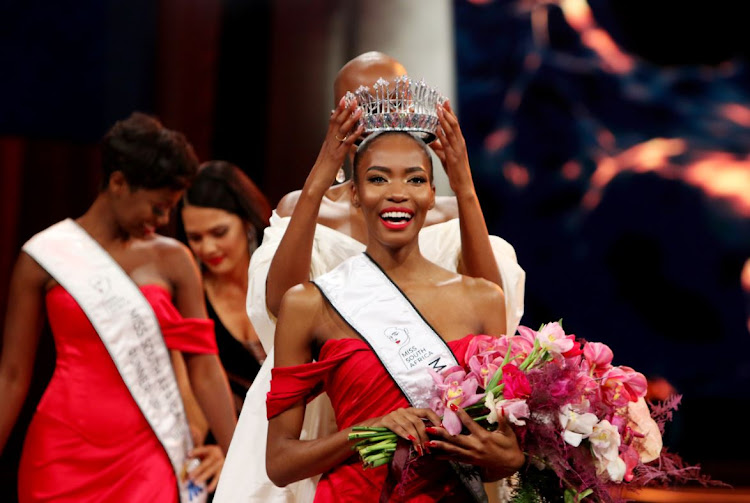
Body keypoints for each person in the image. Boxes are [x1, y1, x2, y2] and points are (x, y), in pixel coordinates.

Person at [215, 53, 525, 503]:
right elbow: (281, 305)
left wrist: (464, 184)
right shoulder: (307, 209)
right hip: (320, 398)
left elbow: (489, 311)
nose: (383, 117)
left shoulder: (447, 211)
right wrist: (323, 170)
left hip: (430, 425)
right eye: (365, 105)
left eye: (394, 101)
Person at [0, 112, 237, 502]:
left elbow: (204, 367)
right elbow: (12, 376)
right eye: (157, 207)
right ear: (118, 183)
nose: (162, 221)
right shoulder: (44, 256)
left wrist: (238, 454)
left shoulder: (174, 260)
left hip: (150, 455)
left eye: (169, 210)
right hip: (61, 452)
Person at [178, 160, 272, 414]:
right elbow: (190, 388)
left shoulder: (283, 273)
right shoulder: (190, 296)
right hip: (229, 437)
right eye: (195, 238)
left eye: (219, 233)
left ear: (247, 222)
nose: (207, 248)